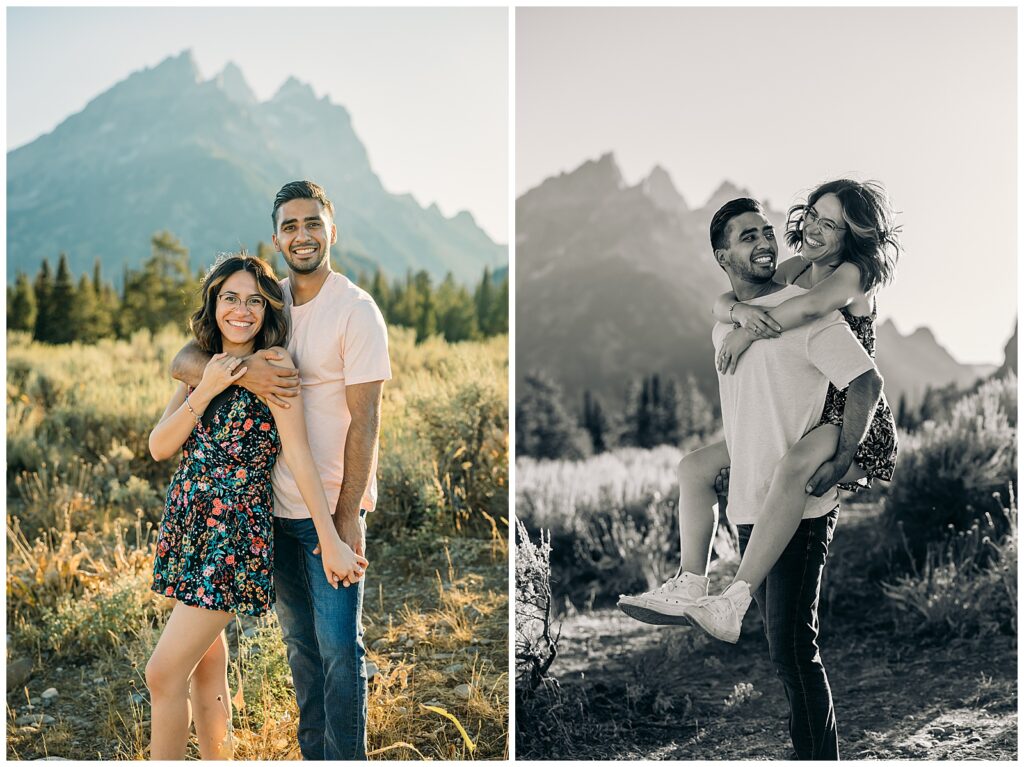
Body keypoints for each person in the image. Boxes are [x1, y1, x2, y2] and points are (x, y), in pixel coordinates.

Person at [631, 197, 885, 759]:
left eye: (767, 232)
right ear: (724, 256)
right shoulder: (731, 321)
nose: (765, 242)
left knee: (794, 650)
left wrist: (843, 458)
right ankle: (691, 583)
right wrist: (736, 315)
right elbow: (750, 404)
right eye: (749, 237)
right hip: (754, 502)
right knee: (784, 653)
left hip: (801, 503)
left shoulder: (815, 308)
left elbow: (865, 384)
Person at [170, 181, 391, 760]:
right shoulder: (270, 303)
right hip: (270, 510)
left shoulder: (356, 311)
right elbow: (188, 357)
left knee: (341, 650)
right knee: (300, 647)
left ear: (331, 231)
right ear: (277, 237)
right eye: (290, 226)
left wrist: (345, 519)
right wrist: (245, 374)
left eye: (313, 223)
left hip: (330, 511)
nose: (302, 235)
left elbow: (366, 421)